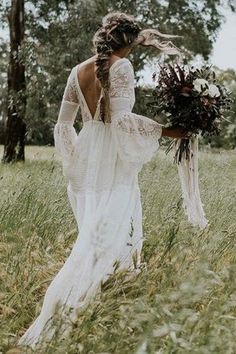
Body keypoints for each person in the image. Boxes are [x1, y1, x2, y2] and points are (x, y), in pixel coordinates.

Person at [17, 12, 190, 349]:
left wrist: (73, 160)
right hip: (111, 162)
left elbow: (63, 124)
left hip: (86, 160)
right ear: (126, 41)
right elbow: (123, 122)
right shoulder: (122, 67)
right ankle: (68, 313)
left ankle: (97, 309)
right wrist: (166, 131)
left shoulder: (77, 70)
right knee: (106, 240)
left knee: (94, 239)